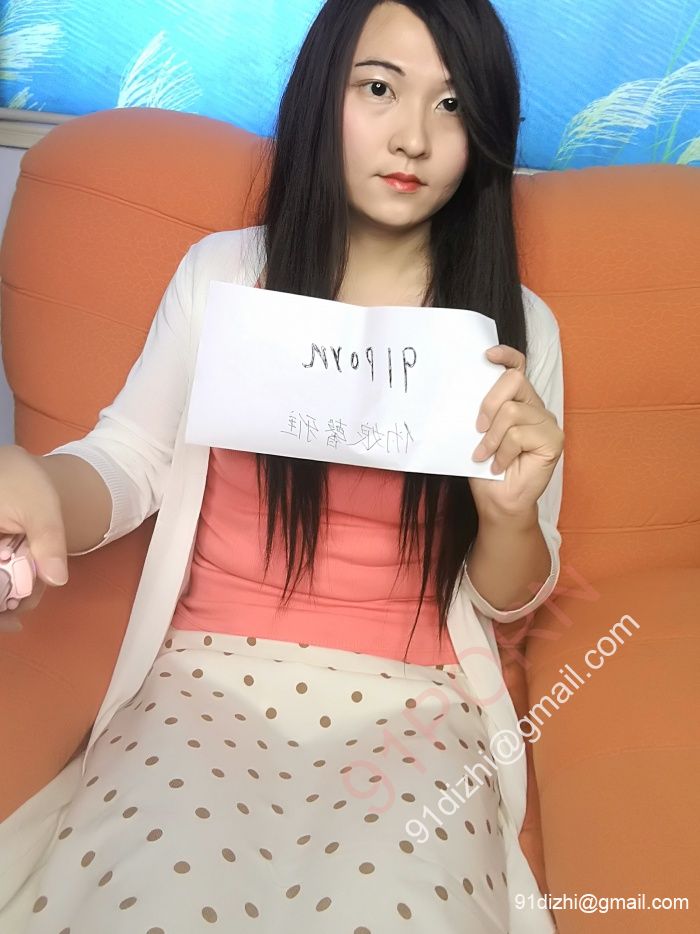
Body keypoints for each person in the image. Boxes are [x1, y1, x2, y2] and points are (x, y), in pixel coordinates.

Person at [1, 1, 564, 931]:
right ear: (322, 93)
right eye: (378, 89)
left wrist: (508, 516)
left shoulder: (517, 325)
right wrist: (40, 484)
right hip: (203, 677)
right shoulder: (224, 274)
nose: (414, 138)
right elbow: (130, 459)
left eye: (453, 104)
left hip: (418, 700)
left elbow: (511, 599)